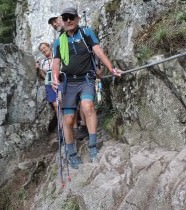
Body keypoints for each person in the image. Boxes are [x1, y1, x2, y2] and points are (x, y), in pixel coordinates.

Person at [52, 7, 122, 169]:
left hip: (86, 80)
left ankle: (92, 146)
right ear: (62, 21)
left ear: (77, 19)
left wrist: (111, 68)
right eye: (65, 18)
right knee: (68, 119)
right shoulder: (59, 41)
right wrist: (55, 80)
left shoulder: (86, 33)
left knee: (87, 106)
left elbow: (98, 52)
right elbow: (56, 63)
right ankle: (71, 153)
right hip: (68, 83)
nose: (68, 20)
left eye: (71, 17)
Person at [48, 12, 89, 141]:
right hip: (66, 78)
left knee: (82, 101)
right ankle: (75, 129)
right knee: (69, 104)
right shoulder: (60, 39)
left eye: (55, 21)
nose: (54, 24)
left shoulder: (80, 33)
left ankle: (83, 126)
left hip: (81, 76)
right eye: (52, 24)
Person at [35, 42, 57, 114]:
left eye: (44, 48)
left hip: (59, 81)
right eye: (42, 50)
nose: (43, 50)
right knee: (55, 105)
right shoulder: (43, 62)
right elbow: (43, 75)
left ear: (49, 47)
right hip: (49, 84)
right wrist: (38, 69)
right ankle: (61, 124)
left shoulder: (57, 56)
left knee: (64, 103)